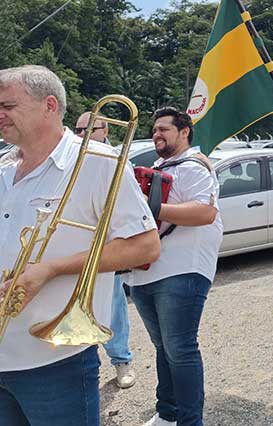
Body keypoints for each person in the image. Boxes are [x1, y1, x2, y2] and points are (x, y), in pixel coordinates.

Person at [0, 65, 160, 426]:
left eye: (7, 105)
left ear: (50, 106)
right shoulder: (4, 167)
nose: (0, 114)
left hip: (53, 362)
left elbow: (144, 246)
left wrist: (51, 268)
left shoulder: (99, 163)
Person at [129, 107, 223, 426]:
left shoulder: (195, 166)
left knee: (180, 349)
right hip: (146, 270)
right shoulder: (155, 168)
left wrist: (151, 207)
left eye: (164, 129)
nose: (157, 134)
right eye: (154, 129)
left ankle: (188, 421)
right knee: (163, 347)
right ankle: (167, 414)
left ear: (184, 132)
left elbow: (205, 213)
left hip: (183, 268)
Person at [74, 111, 136, 389]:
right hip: (77, 246)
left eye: (89, 130)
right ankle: (84, 364)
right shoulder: (73, 160)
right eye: (78, 130)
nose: (82, 136)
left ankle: (121, 360)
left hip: (106, 247)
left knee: (113, 307)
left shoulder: (117, 161)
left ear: (105, 131)